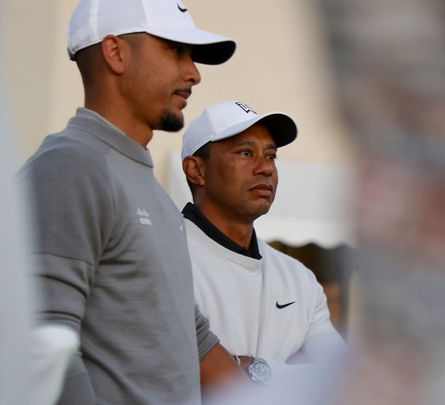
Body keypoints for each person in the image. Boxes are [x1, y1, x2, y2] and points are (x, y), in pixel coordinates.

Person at [18, 0, 242, 403]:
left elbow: (190, 336)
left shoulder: (144, 184)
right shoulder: (70, 166)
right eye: (175, 50)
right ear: (115, 52)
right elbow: (37, 337)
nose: (193, 73)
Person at [180, 100, 347, 383]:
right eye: (246, 153)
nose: (265, 168)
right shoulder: (163, 257)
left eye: (271, 156)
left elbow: (340, 382)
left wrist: (258, 369)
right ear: (196, 170)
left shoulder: (298, 278)